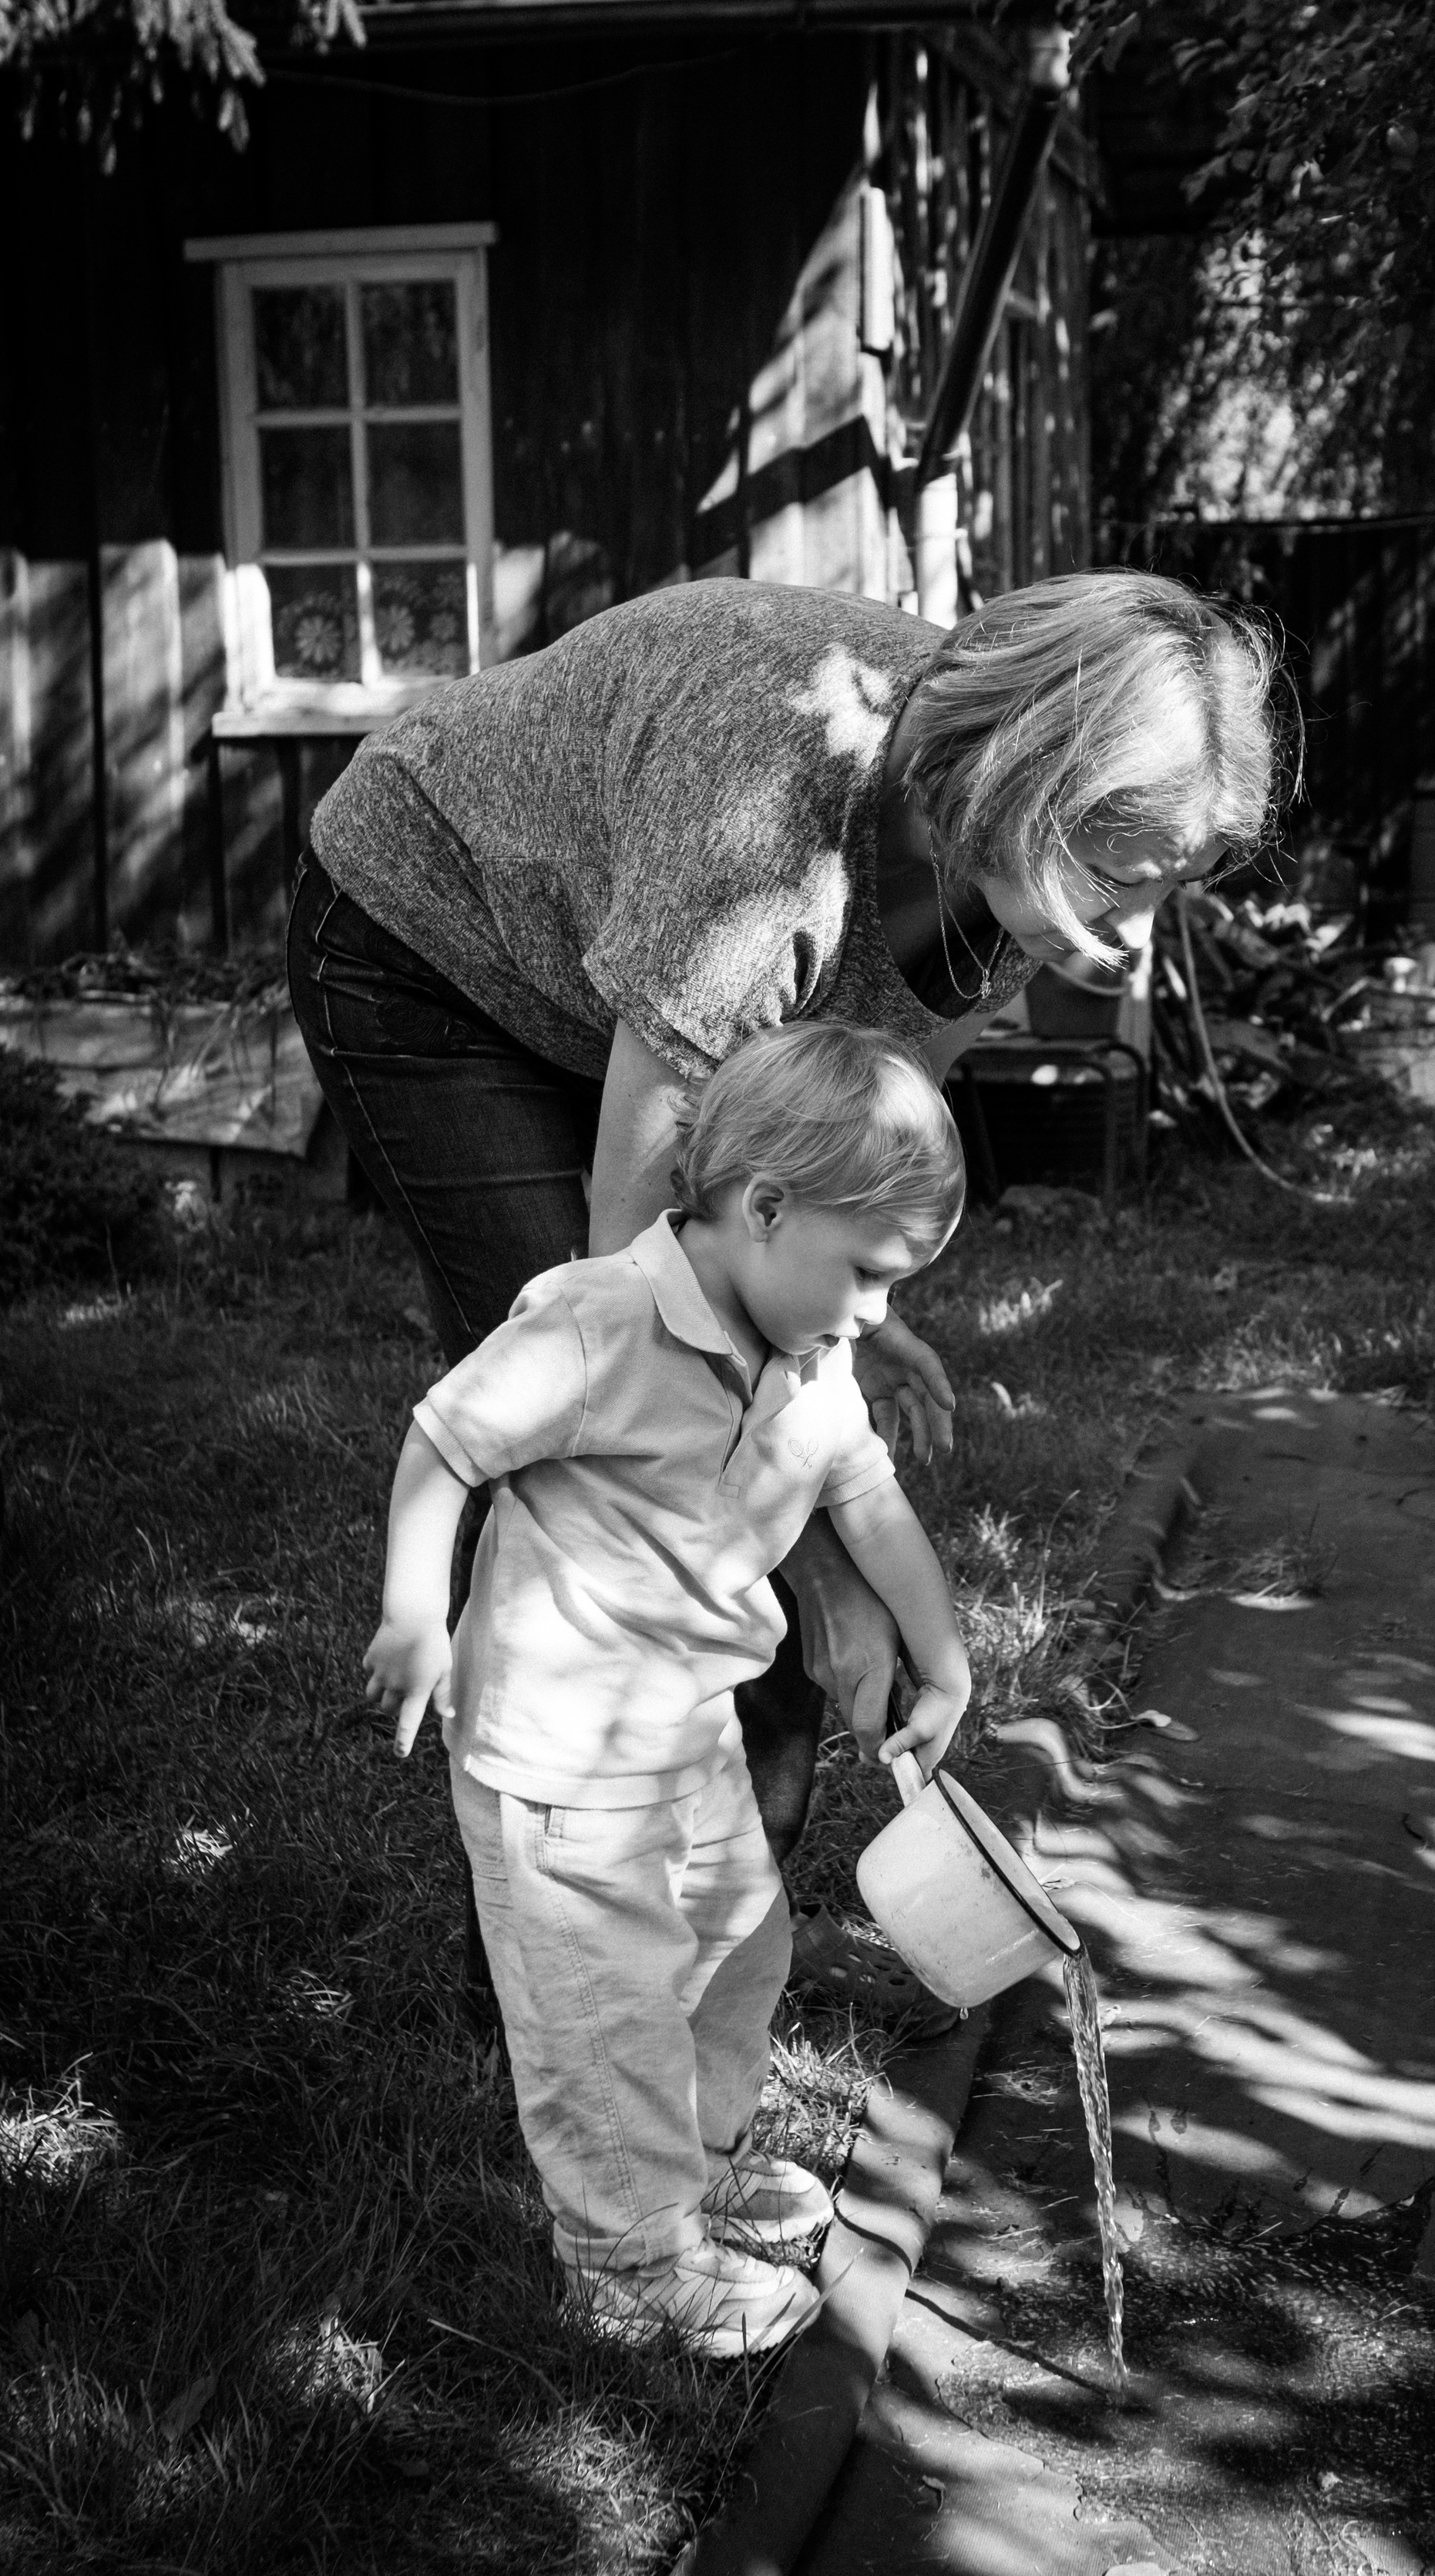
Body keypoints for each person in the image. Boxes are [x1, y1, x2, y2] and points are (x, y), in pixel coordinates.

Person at [290, 570, 1283, 1993]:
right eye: (1123, 879)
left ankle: (717, 1929)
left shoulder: (1005, 880)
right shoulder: (768, 811)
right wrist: (817, 1562)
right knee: (608, 1437)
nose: (1136, 936)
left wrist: (854, 1314)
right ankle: (562, 1968)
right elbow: (640, 1296)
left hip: (635, 975)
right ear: (1021, 786)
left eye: (1167, 887)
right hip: (432, 946)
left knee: (752, 1440)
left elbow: (862, 1121)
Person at [361, 1025, 973, 2355]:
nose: (878, 1314)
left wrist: (945, 1656)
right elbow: (445, 1441)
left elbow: (868, 1501)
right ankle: (627, 2262)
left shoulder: (808, 1355)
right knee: (608, 2017)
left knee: (739, 1951)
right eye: (870, 1274)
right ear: (765, 1208)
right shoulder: (599, 1322)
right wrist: (415, 1610)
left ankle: (689, 2168)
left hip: (687, 1733)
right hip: (561, 1760)